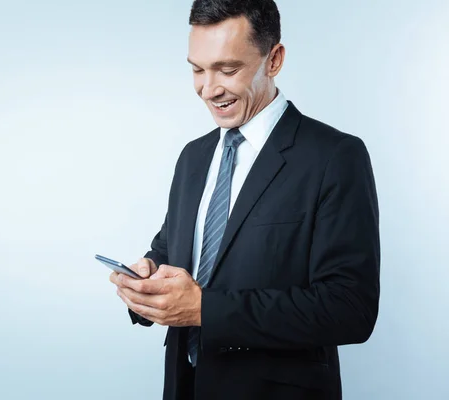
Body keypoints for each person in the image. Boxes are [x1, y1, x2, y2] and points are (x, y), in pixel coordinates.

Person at [109, 0, 380, 399]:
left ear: (274, 60)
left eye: (228, 69)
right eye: (197, 69)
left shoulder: (335, 156)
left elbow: (349, 308)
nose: (208, 88)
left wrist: (205, 309)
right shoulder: (193, 156)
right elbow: (171, 249)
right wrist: (146, 279)